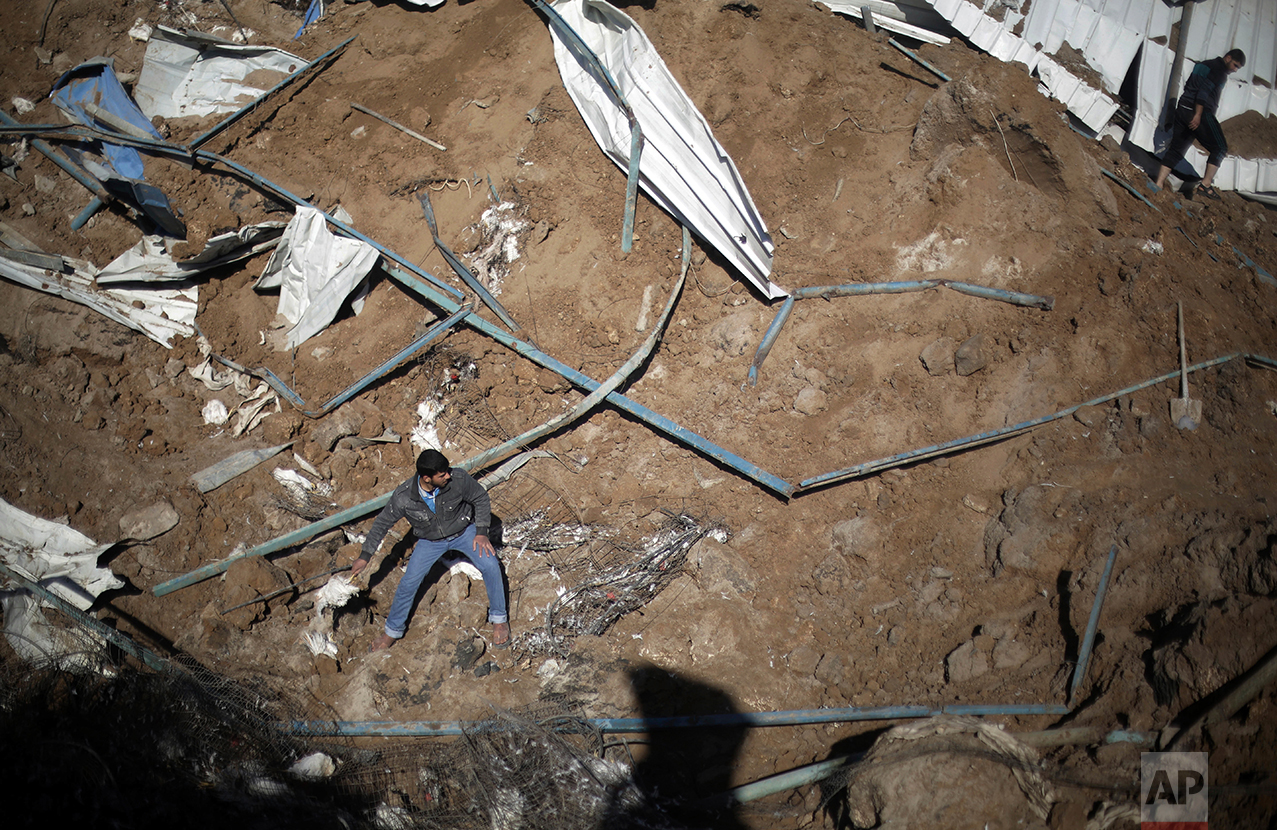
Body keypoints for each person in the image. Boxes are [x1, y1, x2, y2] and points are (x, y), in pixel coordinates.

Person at [352, 449, 510, 651]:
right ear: (427, 478)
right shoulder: (404, 497)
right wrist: (365, 556)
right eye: (442, 474)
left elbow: (480, 498)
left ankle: (499, 619)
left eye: (447, 471)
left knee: (490, 564)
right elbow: (381, 524)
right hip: (430, 541)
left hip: (464, 532)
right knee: (409, 582)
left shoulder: (458, 479)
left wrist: (481, 532)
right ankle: (391, 632)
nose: (448, 476)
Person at [1154, 48, 1246, 200]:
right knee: (1220, 147)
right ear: (1228, 58)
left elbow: (1189, 85)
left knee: (1177, 149)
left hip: (1183, 107)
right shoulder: (1219, 72)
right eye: (1235, 65)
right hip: (1199, 112)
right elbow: (1203, 93)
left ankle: (1158, 183)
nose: (1235, 70)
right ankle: (1205, 185)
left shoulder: (1202, 64)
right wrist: (1197, 114)